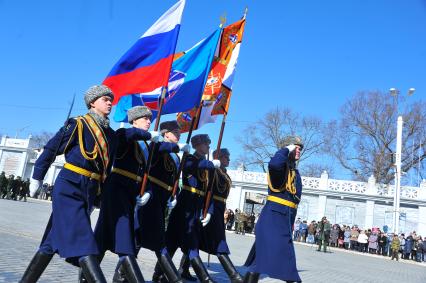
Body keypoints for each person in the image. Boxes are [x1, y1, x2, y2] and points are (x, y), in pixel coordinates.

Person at [20, 85, 118, 283]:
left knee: (49, 243)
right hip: (69, 187)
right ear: (92, 102)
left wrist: (101, 195)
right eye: (105, 99)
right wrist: (37, 176)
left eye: (111, 100)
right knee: (84, 241)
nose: (110, 103)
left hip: (89, 191)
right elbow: (51, 149)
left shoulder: (111, 135)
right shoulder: (78, 125)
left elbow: (106, 169)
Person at [90, 106, 161, 282]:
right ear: (134, 120)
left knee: (103, 236)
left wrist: (148, 193)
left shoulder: (147, 144)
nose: (148, 121)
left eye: (149, 118)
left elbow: (147, 173)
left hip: (132, 193)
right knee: (124, 234)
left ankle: (89, 275)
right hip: (116, 189)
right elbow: (128, 135)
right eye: (144, 118)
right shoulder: (124, 133)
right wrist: (149, 136)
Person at [244, 136, 304, 283]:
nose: (299, 150)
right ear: (287, 148)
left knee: (257, 263)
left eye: (300, 148)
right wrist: (284, 150)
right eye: (296, 147)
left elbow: (293, 202)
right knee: (289, 265)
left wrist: (290, 224)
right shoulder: (280, 168)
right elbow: (275, 164)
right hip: (273, 220)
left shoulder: (294, 172)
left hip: (282, 221)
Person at [137, 120, 190, 283]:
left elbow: (174, 179)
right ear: (165, 133)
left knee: (143, 237)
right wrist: (178, 147)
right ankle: (168, 276)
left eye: (179, 132)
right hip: (151, 195)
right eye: (175, 132)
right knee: (142, 237)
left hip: (162, 199)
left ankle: (124, 274)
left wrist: (174, 196)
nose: (178, 134)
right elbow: (160, 149)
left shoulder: (175, 156)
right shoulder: (158, 144)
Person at [164, 134, 220, 283]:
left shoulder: (207, 164)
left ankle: (180, 270)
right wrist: (211, 164)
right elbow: (193, 166)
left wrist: (209, 211)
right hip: (186, 203)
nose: (209, 146)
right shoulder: (189, 158)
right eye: (206, 144)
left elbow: (209, 191)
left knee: (190, 240)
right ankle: (162, 273)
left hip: (198, 204)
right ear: (197, 145)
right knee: (173, 241)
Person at [199, 148, 244, 283]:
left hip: (220, 208)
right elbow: (209, 191)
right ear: (219, 158)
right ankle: (234, 276)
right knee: (219, 240)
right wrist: (208, 211)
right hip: (211, 207)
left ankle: (183, 268)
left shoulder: (224, 173)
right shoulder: (213, 170)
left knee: (197, 239)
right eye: (226, 157)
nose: (229, 160)